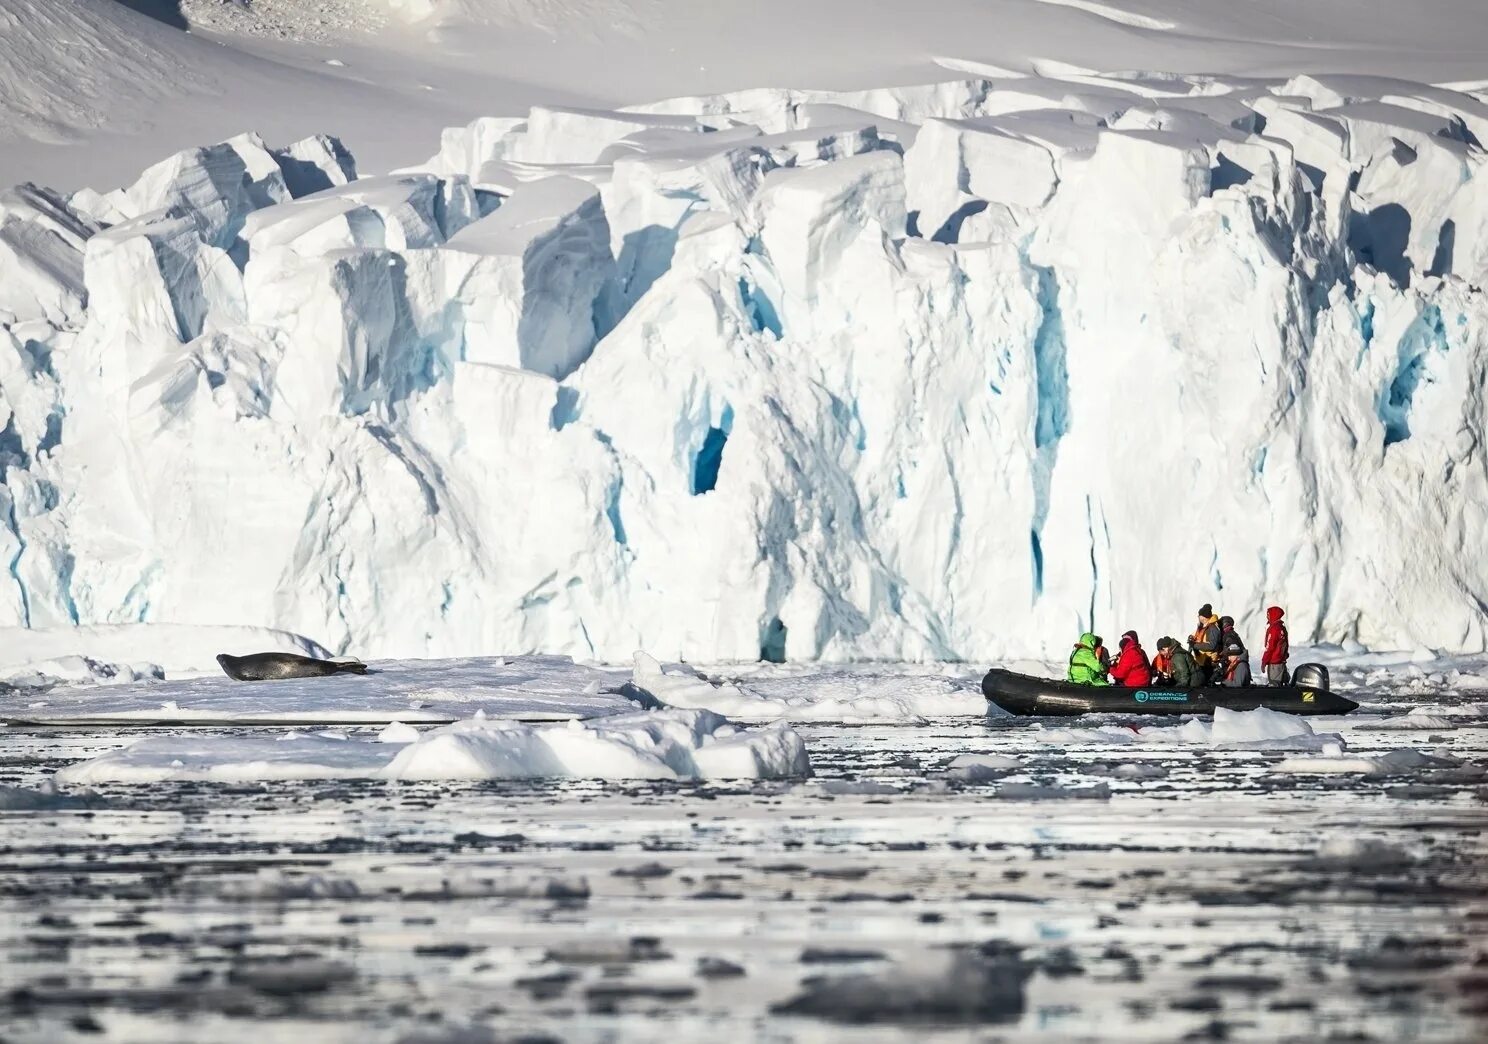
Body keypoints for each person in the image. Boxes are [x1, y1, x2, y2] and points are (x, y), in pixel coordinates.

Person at [1188, 604, 1222, 682]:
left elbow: (1211, 645)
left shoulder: (1212, 628)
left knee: (1207, 686)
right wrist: (1191, 637)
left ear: (1203, 617)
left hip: (1209, 662)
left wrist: (1195, 645)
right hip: (1202, 661)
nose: (1198, 617)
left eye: (1199, 615)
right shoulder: (1204, 626)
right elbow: (1198, 636)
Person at [1262, 605, 1289, 685]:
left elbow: (1270, 647)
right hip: (1281, 661)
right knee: (1281, 684)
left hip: (1275, 663)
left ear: (1273, 615)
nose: (1267, 616)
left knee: (1274, 685)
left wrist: (1264, 661)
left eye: (1268, 614)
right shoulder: (1281, 627)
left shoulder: (1274, 629)